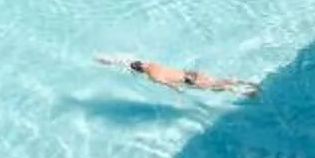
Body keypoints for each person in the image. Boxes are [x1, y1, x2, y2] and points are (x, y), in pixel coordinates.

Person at [97, 54, 259, 96]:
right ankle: (244, 82)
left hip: (187, 80)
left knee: (217, 88)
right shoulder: (152, 64)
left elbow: (169, 84)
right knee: (218, 81)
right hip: (190, 73)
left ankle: (245, 92)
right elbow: (133, 62)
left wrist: (178, 92)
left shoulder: (152, 77)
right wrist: (113, 61)